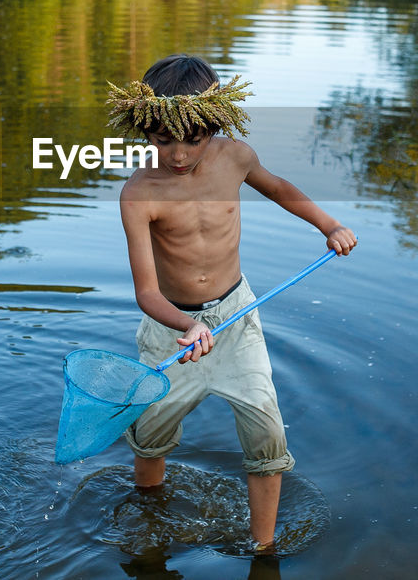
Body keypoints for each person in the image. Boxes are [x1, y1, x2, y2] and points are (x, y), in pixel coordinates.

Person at [106, 53, 357, 550]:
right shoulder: (139, 194)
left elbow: (281, 189)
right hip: (171, 331)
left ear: (215, 123)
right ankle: (148, 512)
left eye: (192, 140)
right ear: (144, 129)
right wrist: (186, 325)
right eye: (162, 141)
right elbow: (146, 293)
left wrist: (328, 225)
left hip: (236, 317)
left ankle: (263, 548)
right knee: (151, 431)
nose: (177, 155)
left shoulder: (236, 157)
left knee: (266, 431)